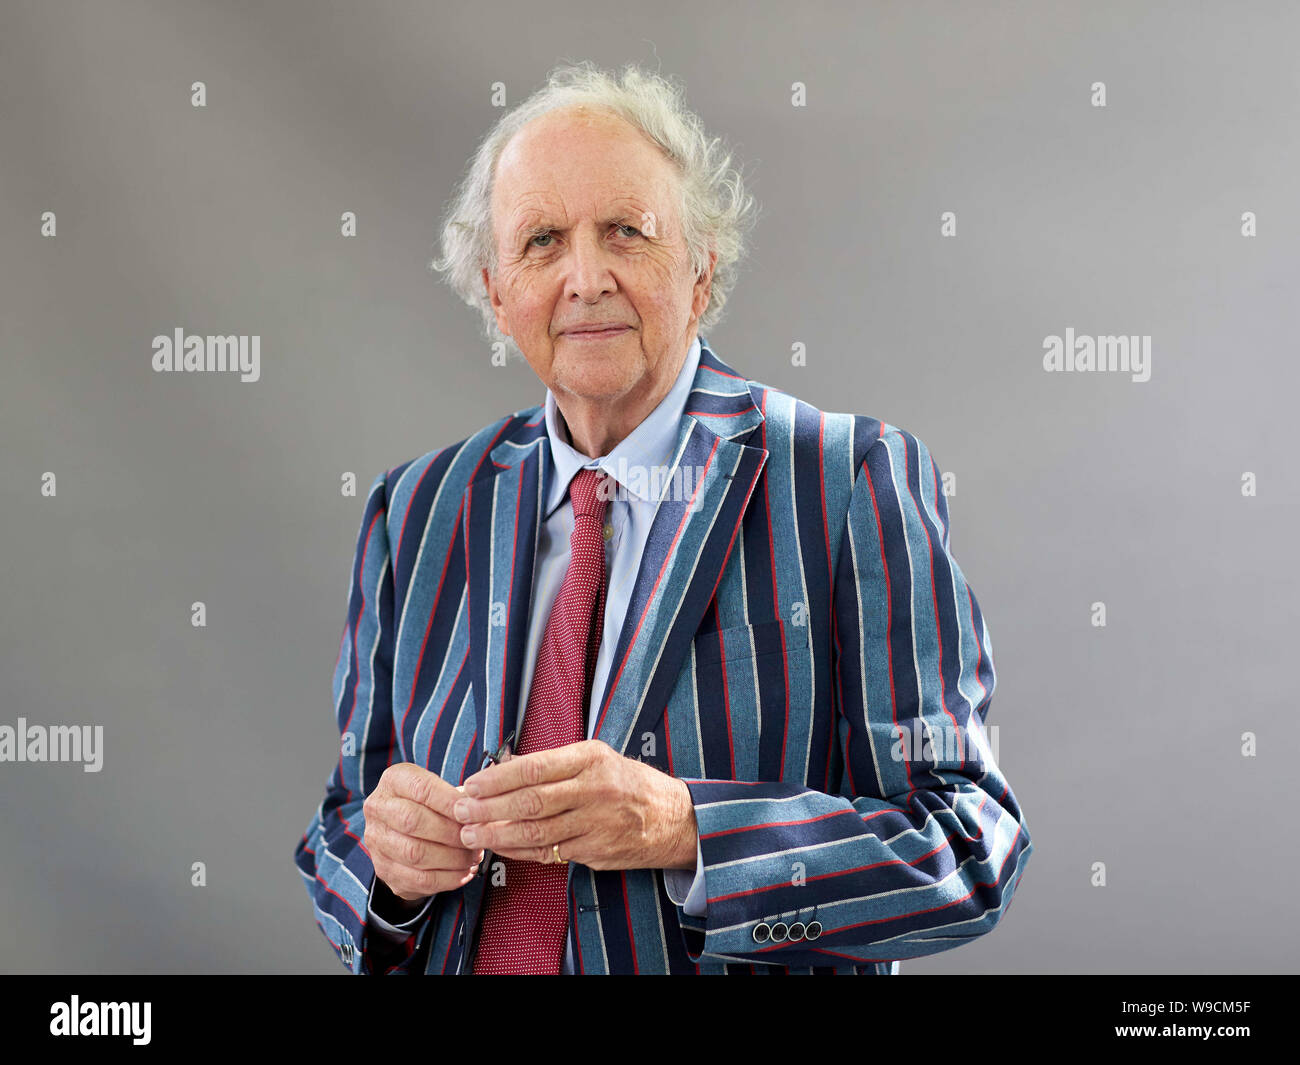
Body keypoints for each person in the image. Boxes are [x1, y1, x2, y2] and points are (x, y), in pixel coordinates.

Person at [293, 61, 1033, 975]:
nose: (586, 277)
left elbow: (966, 844)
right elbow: (341, 822)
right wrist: (390, 871)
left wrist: (685, 828)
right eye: (542, 242)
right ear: (494, 289)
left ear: (701, 266)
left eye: (626, 232)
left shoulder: (847, 480)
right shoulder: (418, 510)